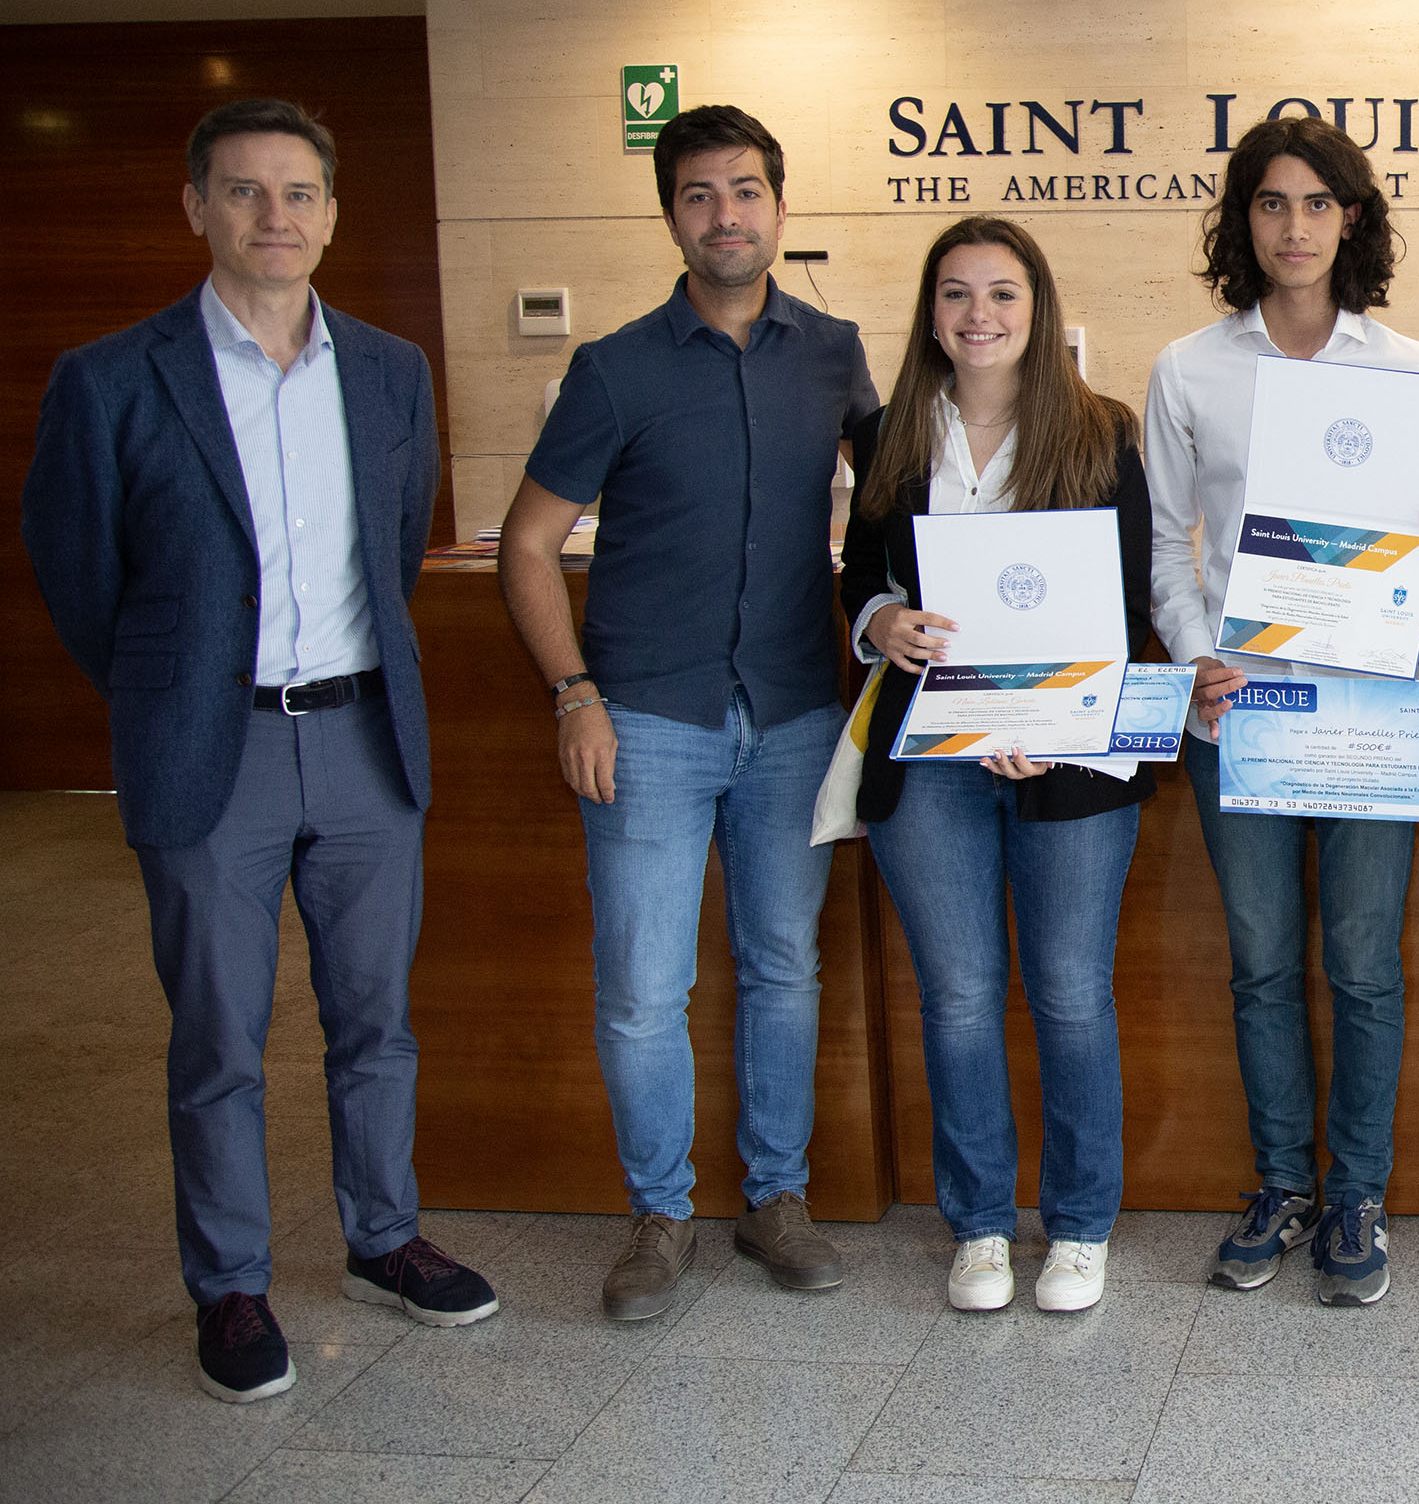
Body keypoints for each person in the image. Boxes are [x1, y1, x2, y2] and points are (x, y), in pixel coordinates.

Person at [21, 99, 497, 1403]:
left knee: (376, 1019)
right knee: (221, 1033)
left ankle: (383, 1235)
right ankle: (229, 1284)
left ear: (333, 214)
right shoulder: (113, 378)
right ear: (197, 208)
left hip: (360, 739)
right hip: (208, 751)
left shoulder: (392, 369)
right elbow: (78, 572)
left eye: (298, 194)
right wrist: (171, 687)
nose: (273, 217)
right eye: (243, 192)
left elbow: (394, 544)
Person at [499, 104, 879, 1321]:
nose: (728, 214)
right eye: (702, 193)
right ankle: (659, 1216)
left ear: (781, 204)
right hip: (646, 723)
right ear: (672, 214)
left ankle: (776, 1200)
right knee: (642, 987)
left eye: (748, 190)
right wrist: (575, 696)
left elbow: (914, 496)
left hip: (791, 717)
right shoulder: (614, 367)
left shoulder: (832, 353)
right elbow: (526, 543)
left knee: (782, 967)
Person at [1146, 115, 1419, 1306]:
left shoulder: (1406, 367)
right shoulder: (1190, 367)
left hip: (1368, 710)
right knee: (1263, 966)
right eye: (1270, 203)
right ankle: (1280, 1184)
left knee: (1362, 964)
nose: (1293, 227)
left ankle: (1355, 1196)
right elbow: (1165, 548)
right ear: (1244, 221)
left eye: (1316, 203)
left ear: (1351, 220)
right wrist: (1193, 652)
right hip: (1241, 712)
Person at [842, 216, 1152, 1313]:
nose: (979, 315)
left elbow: (1122, 608)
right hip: (928, 759)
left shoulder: (1102, 433)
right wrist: (880, 619)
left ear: (1038, 308)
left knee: (1070, 993)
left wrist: (1052, 720)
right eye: (957, 293)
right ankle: (977, 1224)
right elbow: (857, 577)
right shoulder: (883, 430)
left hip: (1065, 760)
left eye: (1003, 293)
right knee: (960, 996)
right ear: (930, 310)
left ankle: (1077, 1226)